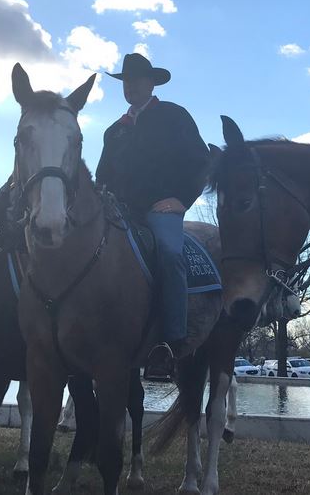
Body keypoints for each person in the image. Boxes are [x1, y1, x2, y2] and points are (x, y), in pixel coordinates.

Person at [95, 53, 210, 378]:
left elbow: (202, 162)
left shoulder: (174, 116)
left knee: (170, 255)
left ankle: (170, 343)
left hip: (159, 209)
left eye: (137, 80)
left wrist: (181, 199)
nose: (130, 86)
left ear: (150, 83)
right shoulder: (114, 131)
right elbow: (102, 177)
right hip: (118, 211)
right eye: (126, 81)